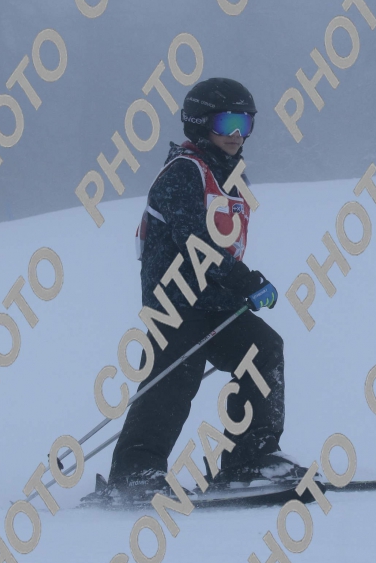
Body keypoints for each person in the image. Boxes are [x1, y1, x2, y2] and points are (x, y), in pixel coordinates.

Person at [94, 77, 306, 500]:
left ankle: (250, 458)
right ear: (198, 123)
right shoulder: (183, 173)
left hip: (215, 302)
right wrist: (245, 280)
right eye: (227, 123)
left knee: (263, 349)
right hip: (174, 303)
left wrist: (238, 287)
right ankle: (134, 474)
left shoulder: (230, 179)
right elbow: (195, 243)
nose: (236, 135)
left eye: (245, 124)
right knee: (176, 375)